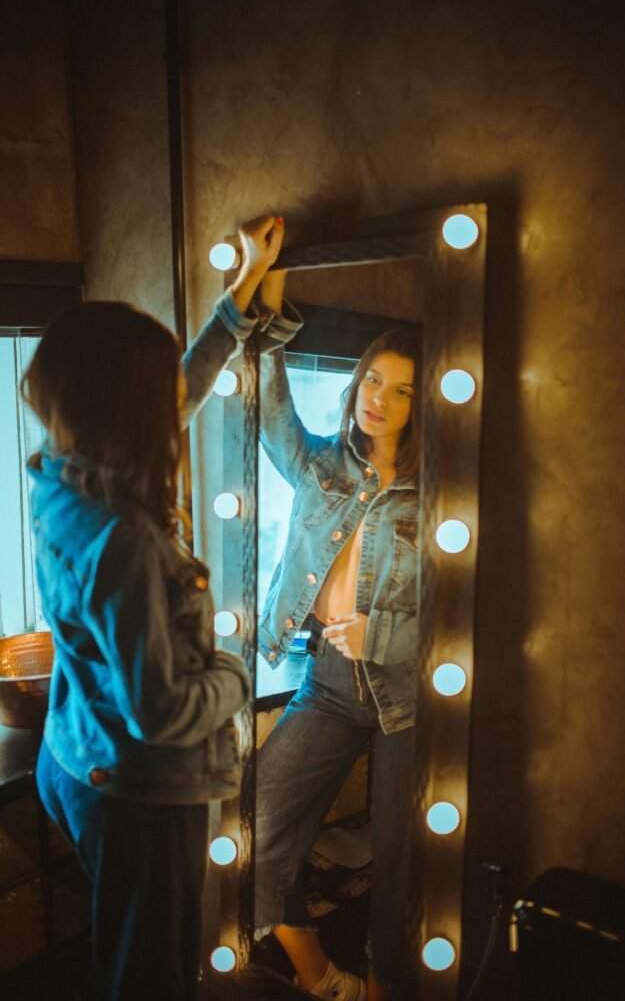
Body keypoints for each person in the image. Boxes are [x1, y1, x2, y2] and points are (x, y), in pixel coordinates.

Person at [23, 216, 285, 1001]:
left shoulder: (62, 475)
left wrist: (240, 295)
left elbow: (181, 391)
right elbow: (164, 711)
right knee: (150, 977)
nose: (180, 396)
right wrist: (238, 675)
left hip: (73, 759)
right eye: (164, 386)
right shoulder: (124, 537)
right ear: (135, 409)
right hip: (139, 789)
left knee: (127, 952)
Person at [252, 268, 421, 1001]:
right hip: (324, 684)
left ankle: (389, 985)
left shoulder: (442, 492)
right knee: (253, 823)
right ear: (355, 385)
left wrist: (379, 633)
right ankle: (317, 972)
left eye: (402, 390)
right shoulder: (321, 462)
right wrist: (267, 315)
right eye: (372, 381)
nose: (378, 400)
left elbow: (470, 611)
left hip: (409, 697)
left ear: (422, 405)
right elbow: (263, 408)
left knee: (405, 859)